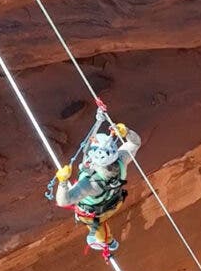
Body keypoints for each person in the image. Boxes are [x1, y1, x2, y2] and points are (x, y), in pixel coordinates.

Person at [47, 104, 142, 257]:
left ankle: (105, 242)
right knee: (100, 218)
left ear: (95, 160)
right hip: (115, 202)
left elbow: (64, 201)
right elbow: (135, 143)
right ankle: (105, 239)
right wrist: (126, 132)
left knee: (97, 225)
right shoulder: (122, 160)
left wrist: (63, 182)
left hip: (94, 213)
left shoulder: (90, 184)